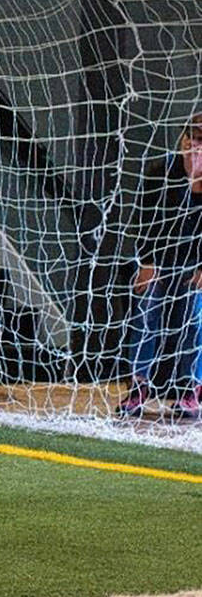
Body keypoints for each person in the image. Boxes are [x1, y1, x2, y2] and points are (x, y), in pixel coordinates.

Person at [118, 112, 202, 421]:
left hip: (195, 264)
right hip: (160, 260)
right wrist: (147, 261)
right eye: (190, 140)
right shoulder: (160, 172)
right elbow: (143, 221)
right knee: (145, 309)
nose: (194, 149)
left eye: (201, 144)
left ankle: (191, 387)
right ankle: (138, 385)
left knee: (195, 313)